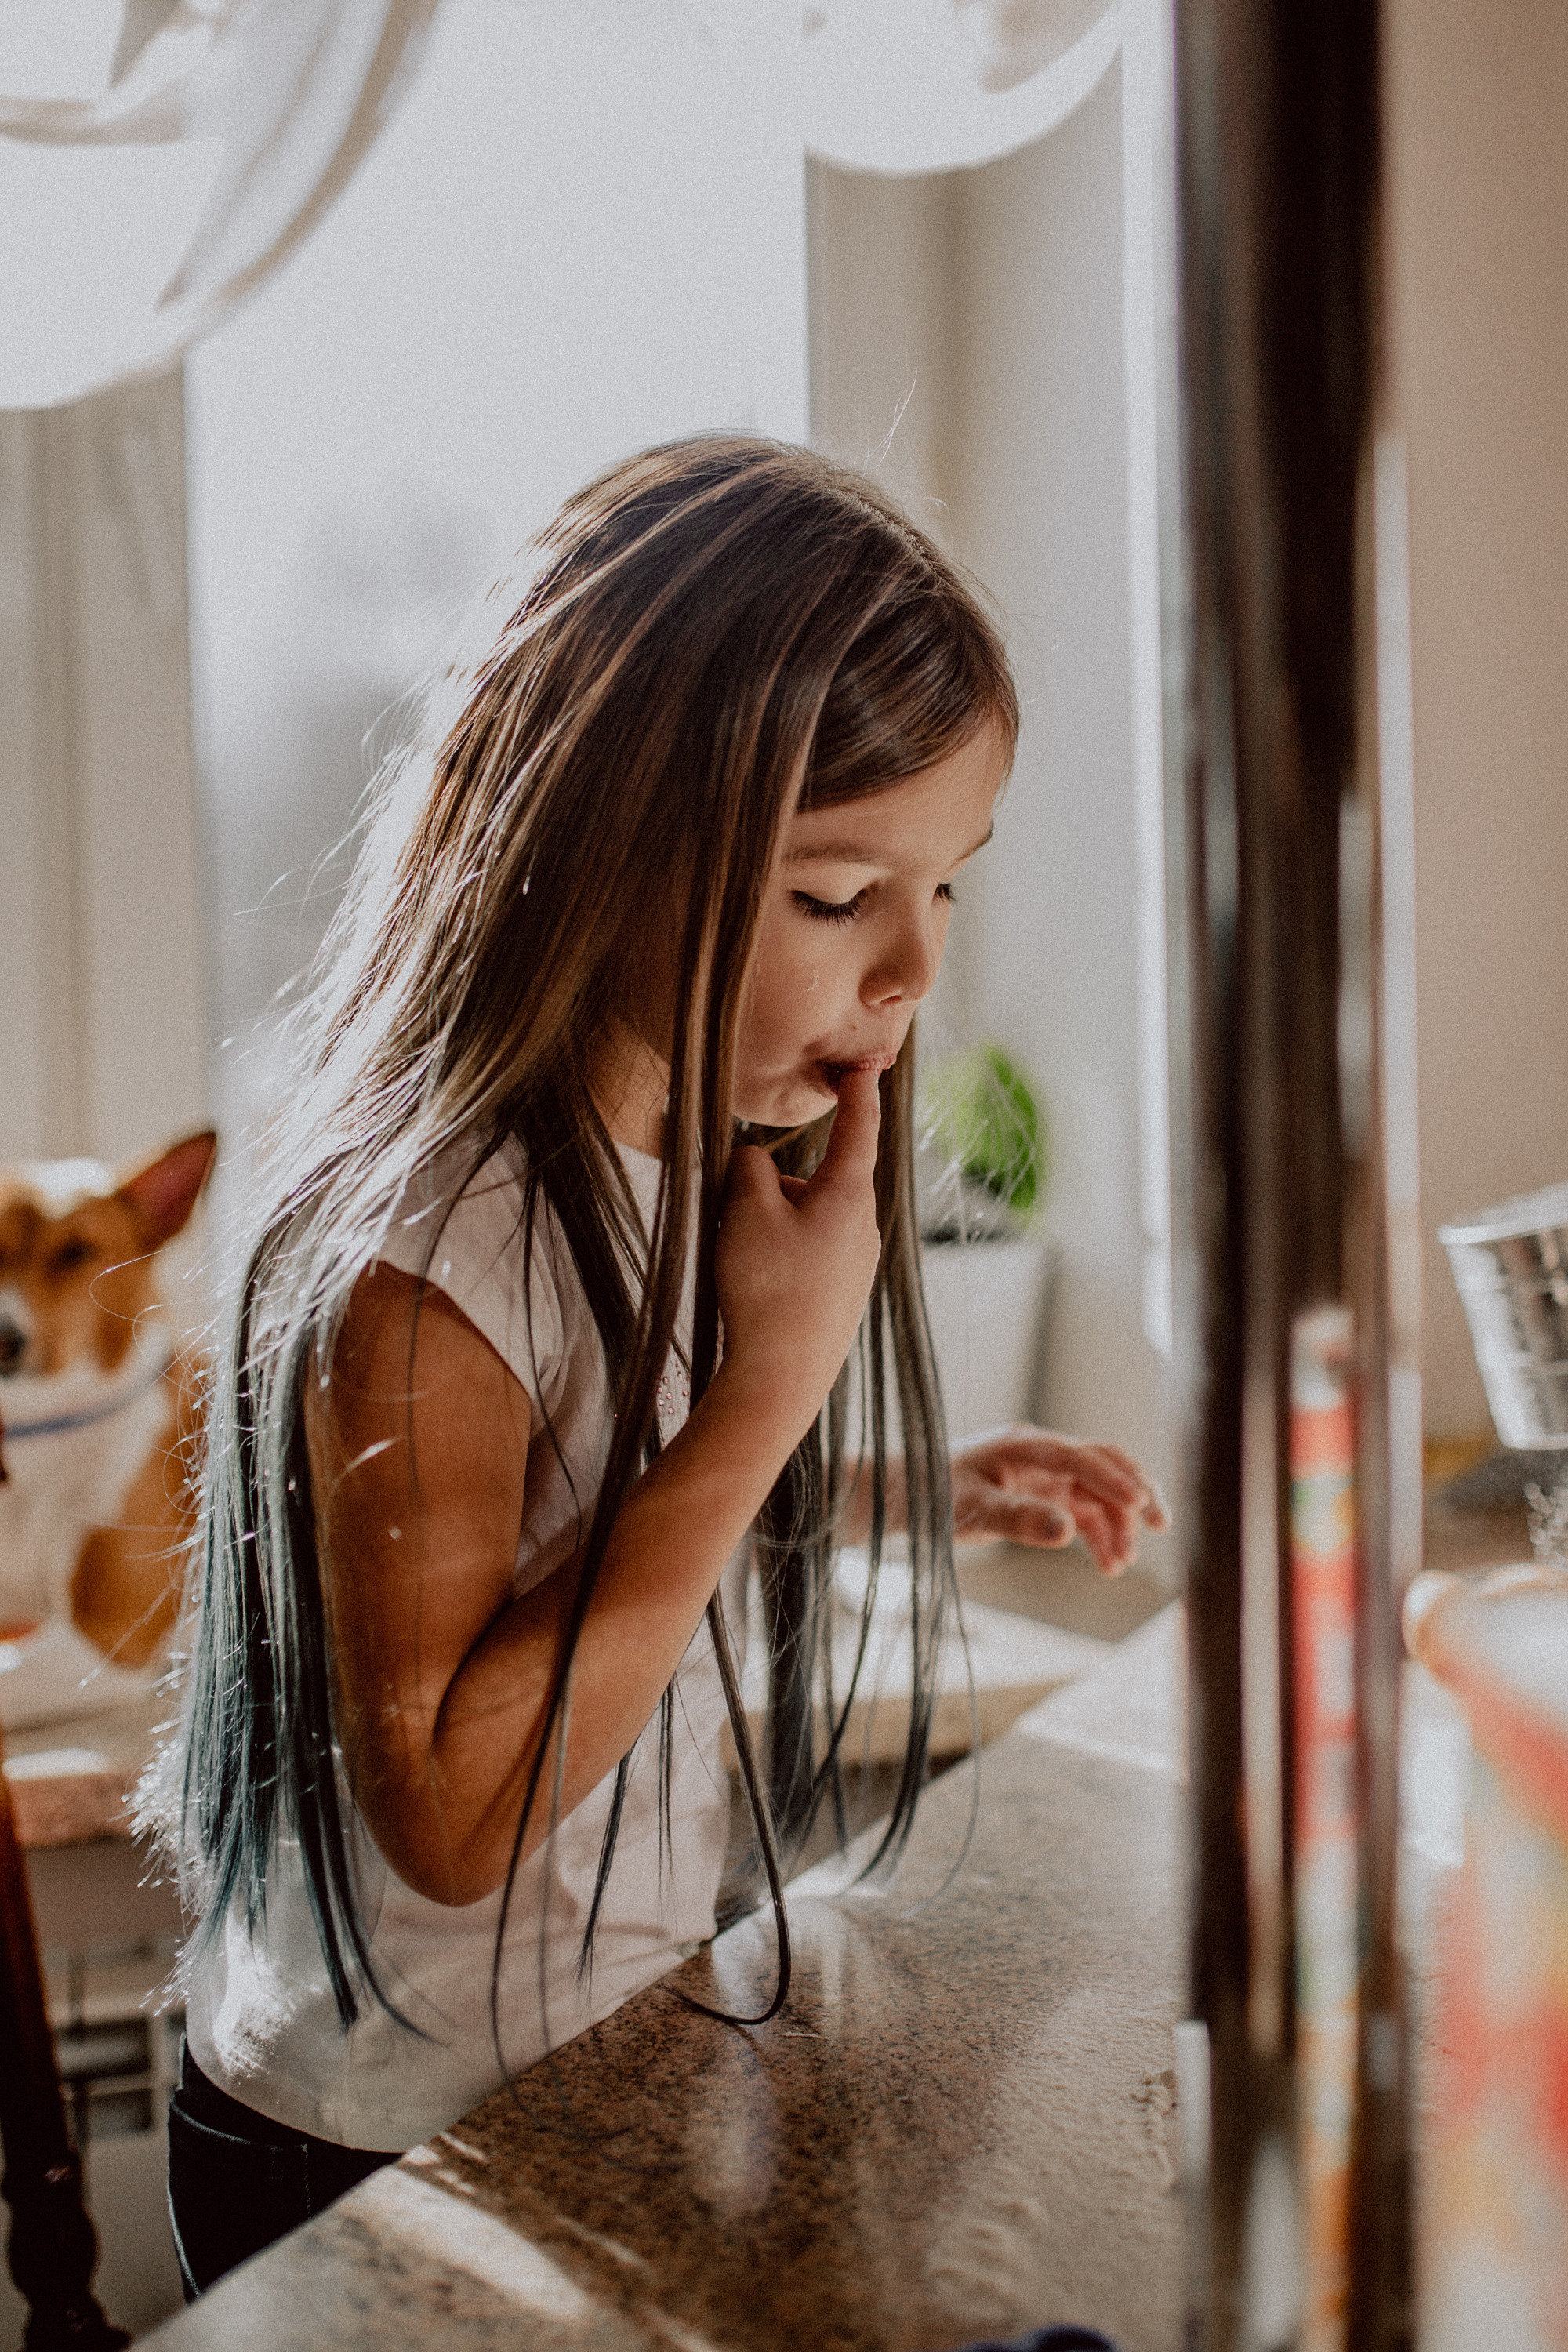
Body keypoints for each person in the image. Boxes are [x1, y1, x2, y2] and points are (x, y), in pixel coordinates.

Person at [149, 437, 1167, 2296]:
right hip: (364, 2145)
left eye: (946, 888)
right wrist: (775, 1394)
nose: (912, 971)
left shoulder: (676, 1170)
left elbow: (594, 1501)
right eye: (836, 892)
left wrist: (883, 1480)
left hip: (563, 2071)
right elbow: (454, 1814)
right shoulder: (428, 1249)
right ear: (594, 836)